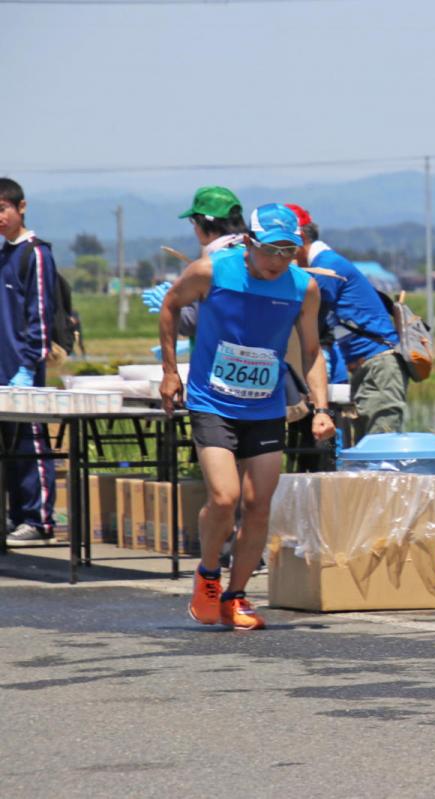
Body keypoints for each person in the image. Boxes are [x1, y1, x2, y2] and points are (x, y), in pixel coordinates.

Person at [159, 203, 334, 629]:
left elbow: (312, 351)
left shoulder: (303, 287)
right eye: (271, 250)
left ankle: (237, 596)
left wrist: (321, 408)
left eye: (288, 251)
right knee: (225, 497)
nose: (279, 260)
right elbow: (169, 306)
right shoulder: (212, 271)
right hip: (212, 400)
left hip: (265, 406)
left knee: (258, 506)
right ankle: (207, 575)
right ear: (250, 243)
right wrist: (169, 373)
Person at [289, 204, 406, 438]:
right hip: (369, 364)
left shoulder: (325, 269)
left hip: (379, 364)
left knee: (379, 442)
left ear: (299, 238)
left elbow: (308, 323)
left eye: (282, 245)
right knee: (366, 442)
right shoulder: (326, 262)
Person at [0, 178, 57, 545]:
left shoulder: (33, 253)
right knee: (9, 447)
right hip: (2, 369)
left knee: (30, 442)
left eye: (3, 208)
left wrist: (29, 363)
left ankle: (39, 520)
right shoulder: (4, 254)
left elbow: (39, 311)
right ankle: (17, 515)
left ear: (21, 207)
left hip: (23, 369)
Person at [144, 185, 248, 349]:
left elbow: (193, 322)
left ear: (205, 223)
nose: (194, 228)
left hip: (215, 360)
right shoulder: (254, 255)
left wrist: (171, 306)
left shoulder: (211, 265)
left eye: (194, 221)